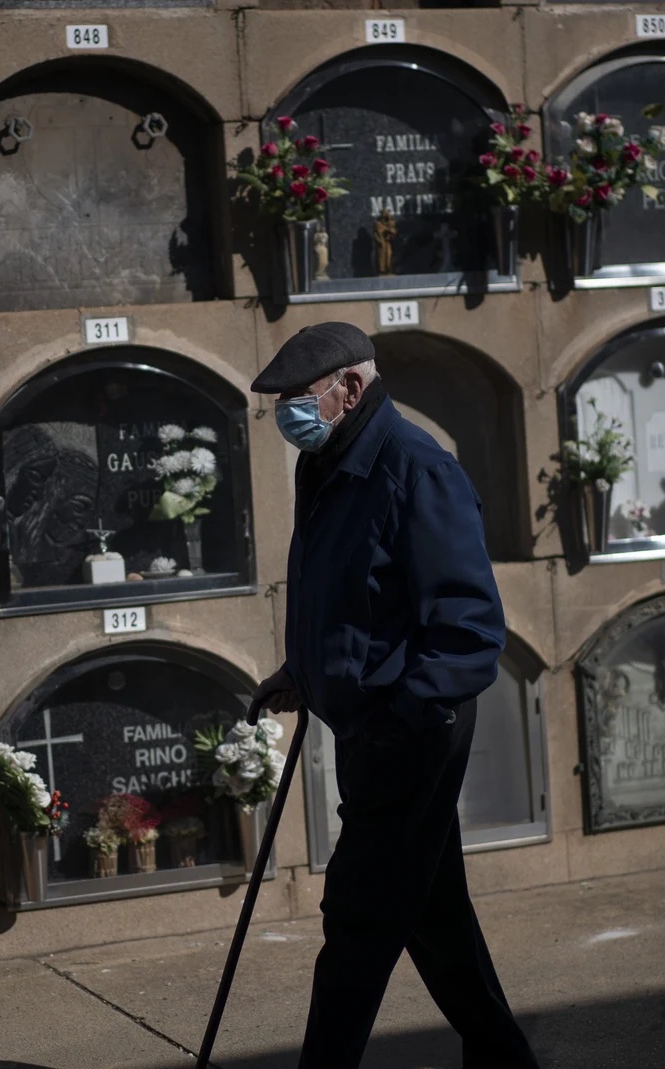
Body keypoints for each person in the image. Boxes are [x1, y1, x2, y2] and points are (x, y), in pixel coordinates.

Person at [246, 322, 539, 1069]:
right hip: (372, 724)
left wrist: (405, 714)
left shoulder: (416, 469)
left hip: (410, 732)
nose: (289, 415)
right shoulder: (330, 462)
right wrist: (300, 671)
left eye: (298, 399)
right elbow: (350, 600)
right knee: (433, 914)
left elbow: (470, 629)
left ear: (350, 386)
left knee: (357, 917)